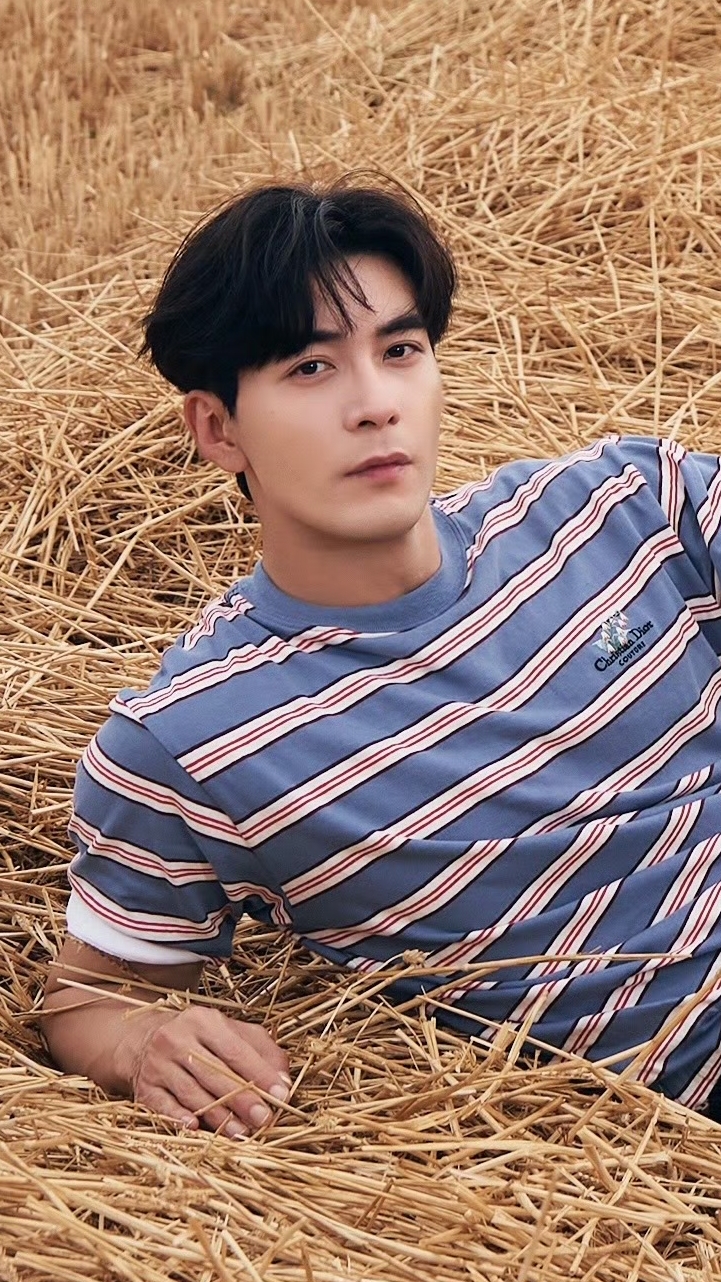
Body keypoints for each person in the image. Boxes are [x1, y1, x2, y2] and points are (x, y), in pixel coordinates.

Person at [44, 178, 721, 1139]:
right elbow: (87, 999)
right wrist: (146, 1042)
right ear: (217, 429)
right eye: (310, 368)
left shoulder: (624, 507)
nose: (373, 405)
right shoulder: (190, 741)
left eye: (399, 351)